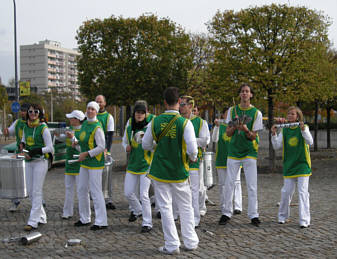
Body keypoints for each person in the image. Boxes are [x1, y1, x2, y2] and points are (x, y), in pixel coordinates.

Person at [142, 87, 199, 255]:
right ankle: (190, 241)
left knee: (165, 207)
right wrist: (192, 157)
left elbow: (145, 145)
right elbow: (193, 149)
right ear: (179, 103)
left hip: (160, 171)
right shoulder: (185, 123)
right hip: (179, 170)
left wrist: (157, 146)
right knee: (186, 206)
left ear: (164, 102)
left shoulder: (155, 121)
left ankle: (172, 244)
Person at [221, 83, 263, 227]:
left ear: (251, 95)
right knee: (229, 183)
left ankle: (253, 214)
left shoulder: (257, 113)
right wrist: (234, 126)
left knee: (251, 185)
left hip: (249, 152)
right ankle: (226, 212)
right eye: (242, 91)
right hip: (233, 151)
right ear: (239, 95)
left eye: (247, 91)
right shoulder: (232, 110)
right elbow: (227, 133)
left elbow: (253, 137)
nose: (244, 94)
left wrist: (245, 129)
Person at [271, 106, 313, 228]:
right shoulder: (284, 130)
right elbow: (276, 146)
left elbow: (310, 142)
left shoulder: (304, 128)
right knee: (286, 192)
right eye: (288, 114)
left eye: (292, 114)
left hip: (302, 165)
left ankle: (304, 220)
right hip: (289, 165)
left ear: (298, 116)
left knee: (302, 192)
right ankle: (282, 216)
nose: (289, 116)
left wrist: (304, 130)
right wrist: (274, 134)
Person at [74, 101, 108, 230]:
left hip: (95, 164)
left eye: (92, 109)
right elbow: (83, 144)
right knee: (82, 189)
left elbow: (101, 147)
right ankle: (85, 218)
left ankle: (101, 221)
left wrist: (87, 154)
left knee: (95, 191)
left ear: (96, 111)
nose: (89, 111)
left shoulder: (97, 127)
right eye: (88, 108)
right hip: (85, 163)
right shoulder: (84, 125)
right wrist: (76, 144)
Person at [20, 104, 54, 231]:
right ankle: (42, 216)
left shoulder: (43, 128)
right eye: (30, 111)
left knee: (36, 191)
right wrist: (23, 146)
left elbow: (50, 148)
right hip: (29, 162)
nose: (32, 113)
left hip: (40, 161)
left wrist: (36, 151)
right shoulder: (26, 126)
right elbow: (24, 140)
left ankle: (33, 221)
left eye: (35, 111)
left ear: (40, 113)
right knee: (30, 191)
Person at [122, 101, 153, 233]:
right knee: (128, 192)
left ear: (146, 114)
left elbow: (155, 144)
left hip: (146, 165)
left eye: (142, 113)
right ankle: (138, 210)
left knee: (144, 194)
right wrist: (126, 147)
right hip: (132, 164)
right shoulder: (130, 128)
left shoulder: (149, 128)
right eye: (137, 113)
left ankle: (147, 223)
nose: (139, 115)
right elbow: (124, 142)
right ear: (133, 114)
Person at [179, 96, 210, 227]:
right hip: (179, 161)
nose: (181, 107)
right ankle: (183, 217)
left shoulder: (200, 122)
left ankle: (195, 219)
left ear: (190, 106)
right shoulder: (177, 121)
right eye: (180, 104)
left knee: (194, 191)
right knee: (181, 192)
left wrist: (190, 140)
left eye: (183, 104)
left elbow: (205, 140)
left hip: (194, 161)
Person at [212, 108, 242, 225]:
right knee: (223, 184)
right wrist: (217, 126)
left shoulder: (236, 126)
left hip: (235, 158)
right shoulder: (221, 126)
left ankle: (237, 205)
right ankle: (224, 205)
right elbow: (214, 139)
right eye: (226, 114)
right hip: (221, 159)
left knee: (236, 182)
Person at [3, 103, 30, 212]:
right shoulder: (18, 122)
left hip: (31, 154)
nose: (22, 113)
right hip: (20, 154)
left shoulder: (33, 122)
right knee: (15, 179)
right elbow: (9, 131)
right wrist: (6, 132)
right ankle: (15, 201)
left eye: (25, 111)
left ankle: (39, 201)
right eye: (21, 111)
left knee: (31, 179)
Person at [61, 110, 85, 219]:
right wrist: (58, 136)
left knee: (81, 190)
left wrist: (73, 138)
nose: (69, 120)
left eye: (71, 118)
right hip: (68, 163)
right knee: (68, 188)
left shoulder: (83, 131)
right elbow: (65, 142)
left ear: (77, 120)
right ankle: (67, 212)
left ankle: (83, 214)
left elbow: (82, 149)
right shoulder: (69, 130)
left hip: (79, 165)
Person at [95, 94, 116, 210]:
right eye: (96, 101)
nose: (98, 104)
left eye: (100, 102)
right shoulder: (90, 115)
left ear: (105, 103)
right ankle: (95, 198)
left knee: (107, 176)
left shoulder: (109, 117)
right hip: (92, 150)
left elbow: (110, 135)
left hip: (104, 151)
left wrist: (106, 150)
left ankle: (108, 199)